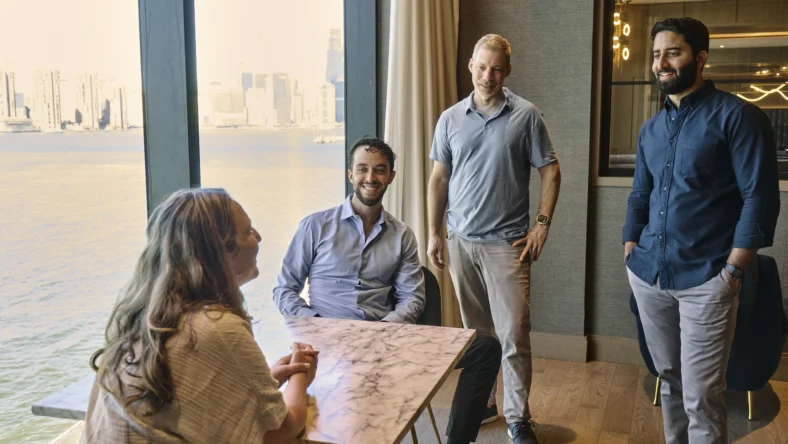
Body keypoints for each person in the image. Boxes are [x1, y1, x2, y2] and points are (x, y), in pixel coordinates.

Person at [274, 136, 502, 444]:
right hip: (327, 342)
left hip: (384, 339)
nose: (371, 178)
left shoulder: (402, 235)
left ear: (391, 176)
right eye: (363, 169)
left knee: (485, 348)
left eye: (380, 170)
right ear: (350, 174)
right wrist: (319, 323)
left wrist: (382, 331)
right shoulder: (314, 227)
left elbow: (413, 298)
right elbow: (285, 290)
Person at [623, 17, 780, 444]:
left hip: (708, 278)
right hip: (649, 274)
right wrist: (629, 249)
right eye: (656, 55)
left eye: (672, 52)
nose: (661, 63)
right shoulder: (651, 129)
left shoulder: (739, 117)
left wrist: (733, 270)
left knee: (702, 395)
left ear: (700, 57)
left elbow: (759, 199)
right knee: (668, 380)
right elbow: (640, 195)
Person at [81, 188, 319, 444]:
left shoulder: (146, 314)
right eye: (248, 232)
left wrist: (264, 381)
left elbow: (186, 396)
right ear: (219, 252)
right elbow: (280, 430)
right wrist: (300, 377)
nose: (258, 238)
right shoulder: (215, 326)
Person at [426, 34, 561, 444]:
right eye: (482, 67)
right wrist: (434, 231)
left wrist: (541, 224)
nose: (488, 76)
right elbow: (438, 178)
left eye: (497, 68)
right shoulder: (450, 118)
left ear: (508, 70)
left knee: (514, 335)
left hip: (506, 245)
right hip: (460, 241)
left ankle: (518, 419)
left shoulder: (525, 115)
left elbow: (551, 171)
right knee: (479, 337)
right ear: (471, 65)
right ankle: (485, 401)